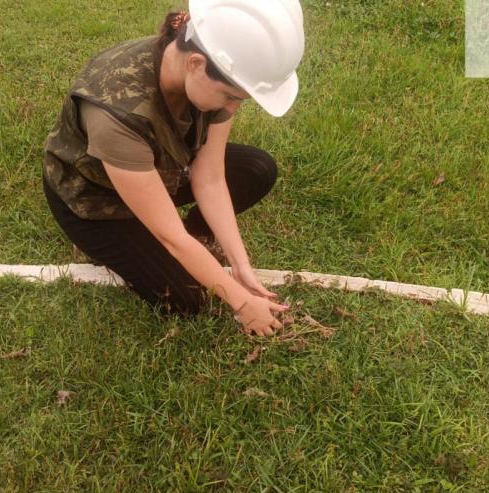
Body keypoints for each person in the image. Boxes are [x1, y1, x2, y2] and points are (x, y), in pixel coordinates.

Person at [41, 0, 305, 337]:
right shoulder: (116, 114)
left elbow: (209, 178)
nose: (233, 107)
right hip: (95, 200)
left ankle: (195, 250)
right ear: (196, 63)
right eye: (230, 97)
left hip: (161, 168)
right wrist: (241, 302)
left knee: (257, 169)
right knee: (187, 300)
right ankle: (102, 245)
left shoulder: (209, 74)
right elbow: (171, 236)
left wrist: (241, 267)